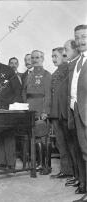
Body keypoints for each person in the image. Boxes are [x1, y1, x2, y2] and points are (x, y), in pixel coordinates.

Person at [22, 50, 52, 174]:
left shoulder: (46, 74)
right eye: (33, 58)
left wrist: (45, 111)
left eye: (37, 57)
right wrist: (25, 106)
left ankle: (46, 166)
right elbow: (24, 92)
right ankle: (37, 163)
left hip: (41, 109)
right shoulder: (29, 74)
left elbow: (48, 95)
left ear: (42, 58)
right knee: (34, 138)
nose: (35, 60)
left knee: (43, 138)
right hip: (30, 110)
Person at [62, 40, 86, 192]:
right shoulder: (75, 64)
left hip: (83, 112)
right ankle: (83, 183)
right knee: (80, 149)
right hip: (74, 111)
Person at [49, 47, 74, 179]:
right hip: (55, 114)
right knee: (60, 143)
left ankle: (74, 173)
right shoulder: (55, 72)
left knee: (69, 143)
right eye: (52, 56)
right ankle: (66, 170)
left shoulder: (68, 70)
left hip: (64, 113)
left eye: (55, 56)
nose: (53, 59)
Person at [70, 25, 87, 202]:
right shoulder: (76, 62)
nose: (81, 41)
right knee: (84, 152)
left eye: (84, 37)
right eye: (78, 37)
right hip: (77, 113)